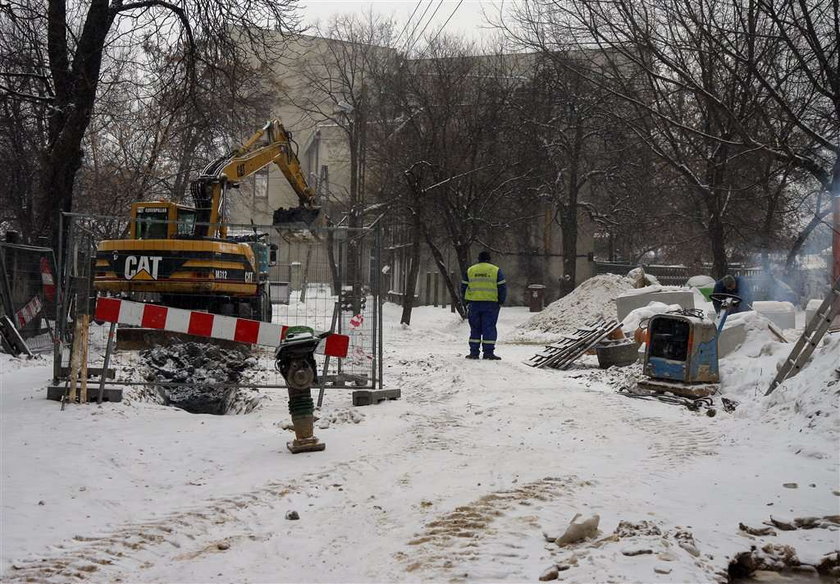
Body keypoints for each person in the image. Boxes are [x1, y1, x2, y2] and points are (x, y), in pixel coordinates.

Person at [461, 251, 507, 360]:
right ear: (489, 259)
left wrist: (466, 301)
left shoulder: (470, 270)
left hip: (474, 304)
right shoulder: (495, 270)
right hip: (491, 304)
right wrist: (501, 301)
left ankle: (474, 353)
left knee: (475, 328)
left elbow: (463, 287)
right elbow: (502, 288)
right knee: (489, 328)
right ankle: (488, 353)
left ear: (479, 259)